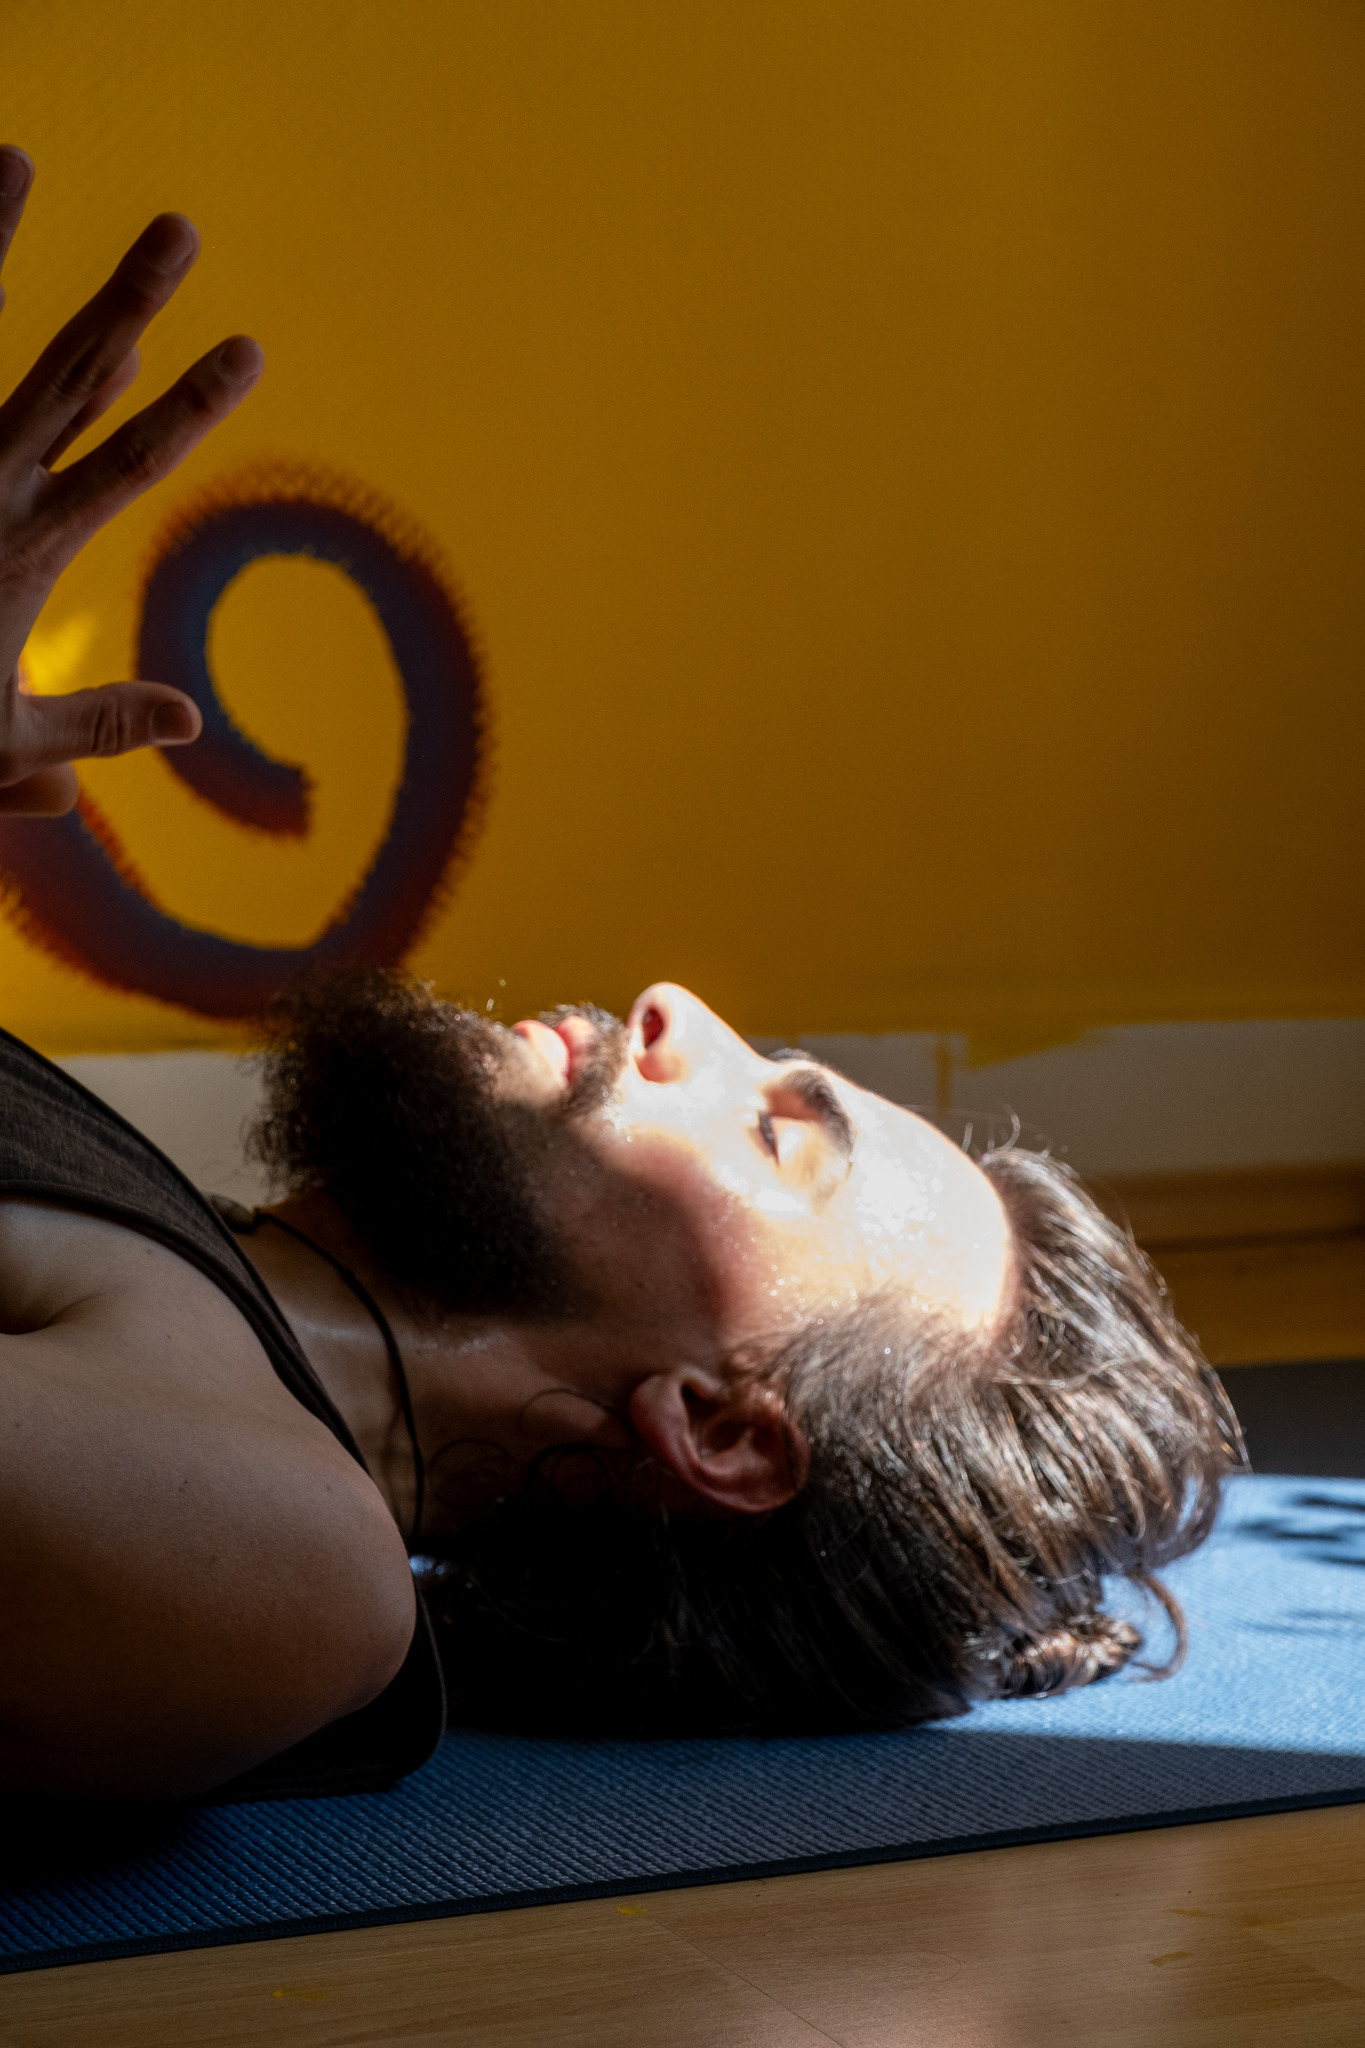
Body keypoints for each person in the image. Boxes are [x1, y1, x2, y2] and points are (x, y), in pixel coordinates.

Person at [0, 149, 1244, 1802]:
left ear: (723, 1432)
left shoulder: (292, 1575)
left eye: (778, 1133)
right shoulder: (169, 1278)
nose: (680, 1012)